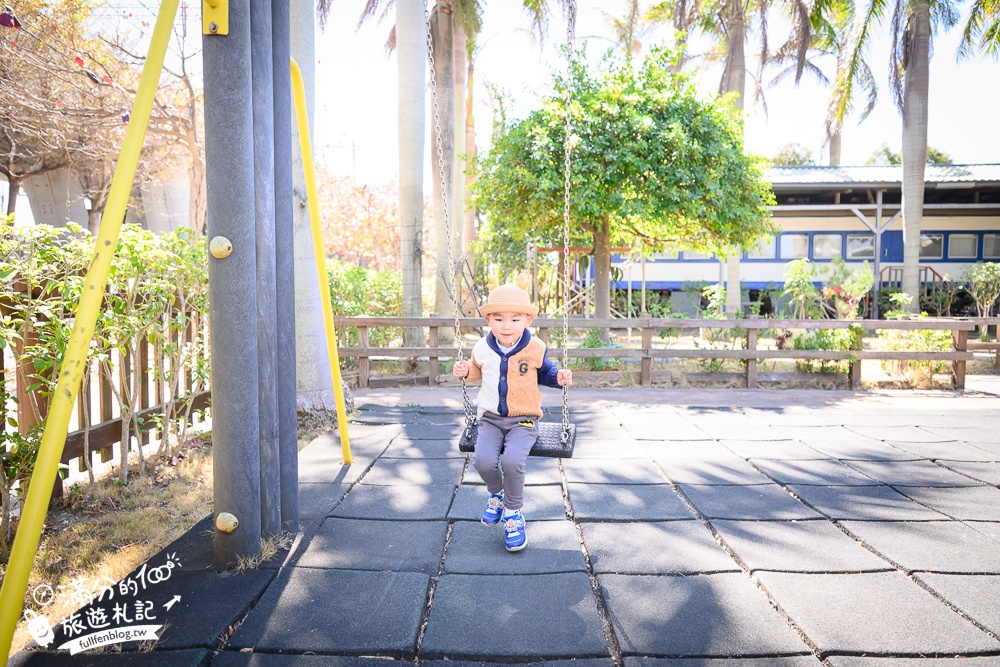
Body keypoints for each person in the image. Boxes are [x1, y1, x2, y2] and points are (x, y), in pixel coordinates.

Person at [452, 283, 572, 552]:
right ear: (488, 320)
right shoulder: (482, 347)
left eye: (515, 319)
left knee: (512, 459)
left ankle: (513, 514)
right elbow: (474, 372)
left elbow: (546, 373)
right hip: (491, 418)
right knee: (482, 460)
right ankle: (497, 494)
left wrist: (559, 378)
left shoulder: (535, 347)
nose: (506, 326)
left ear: (528, 320)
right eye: (498, 319)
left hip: (524, 420)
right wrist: (463, 371)